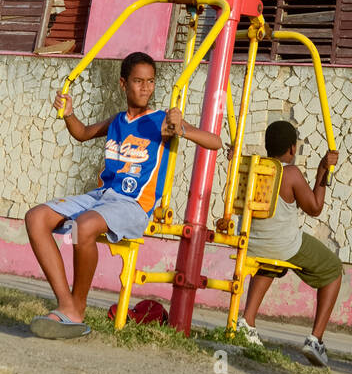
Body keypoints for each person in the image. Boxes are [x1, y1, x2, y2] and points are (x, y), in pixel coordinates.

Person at [25, 51, 222, 338]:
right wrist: (68, 113)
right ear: (123, 84)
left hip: (133, 205)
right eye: (138, 81)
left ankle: (76, 309)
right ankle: (66, 304)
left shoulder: (162, 121)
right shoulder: (118, 120)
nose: (145, 88)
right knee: (36, 218)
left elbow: (214, 142)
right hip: (103, 196)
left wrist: (182, 129)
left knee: (83, 227)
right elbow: (82, 133)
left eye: (151, 81)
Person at [237, 119, 341, 367]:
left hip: (253, 243)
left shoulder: (255, 166)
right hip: (283, 244)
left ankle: (247, 322)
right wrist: (321, 173)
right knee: (334, 269)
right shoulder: (290, 173)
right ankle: (316, 340)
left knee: (270, 264)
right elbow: (314, 208)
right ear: (292, 149)